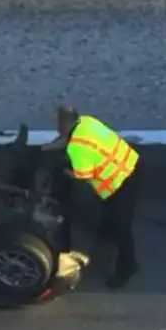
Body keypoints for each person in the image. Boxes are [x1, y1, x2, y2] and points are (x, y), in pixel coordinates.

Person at [43, 105, 143, 289]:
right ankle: (107, 236)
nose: (57, 128)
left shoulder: (78, 149)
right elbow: (66, 139)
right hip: (130, 165)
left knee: (121, 227)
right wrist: (45, 148)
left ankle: (128, 267)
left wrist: (66, 172)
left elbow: (83, 178)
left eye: (58, 124)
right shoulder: (86, 122)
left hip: (118, 183)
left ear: (64, 123)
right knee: (113, 219)